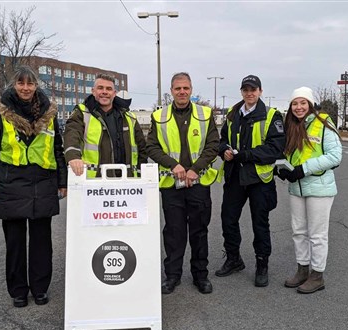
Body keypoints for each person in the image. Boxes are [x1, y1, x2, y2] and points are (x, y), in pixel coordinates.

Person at [0, 66, 67, 307]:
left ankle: (40, 289)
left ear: (36, 86)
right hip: (11, 182)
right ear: (14, 85)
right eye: (21, 83)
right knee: (15, 243)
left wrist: (62, 182)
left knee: (42, 242)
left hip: (43, 182)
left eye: (30, 84)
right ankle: (18, 291)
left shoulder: (49, 113)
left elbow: (57, 149)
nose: (25, 88)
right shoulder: (0, 112)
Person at [146, 72, 220, 295]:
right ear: (171, 91)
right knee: (174, 232)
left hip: (198, 183)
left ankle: (200, 276)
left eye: (186, 88)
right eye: (178, 88)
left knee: (199, 232)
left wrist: (194, 170)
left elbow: (213, 145)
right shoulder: (159, 116)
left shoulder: (205, 114)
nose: (182, 92)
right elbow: (152, 147)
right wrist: (173, 165)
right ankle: (172, 276)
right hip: (172, 184)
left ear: (191, 89)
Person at [217, 75, 285, 287]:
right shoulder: (232, 115)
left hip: (259, 179)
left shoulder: (272, 115)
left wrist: (245, 155)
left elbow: (275, 149)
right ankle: (234, 259)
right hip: (236, 176)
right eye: (246, 89)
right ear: (241, 92)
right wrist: (224, 151)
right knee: (228, 219)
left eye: (253, 89)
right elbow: (223, 141)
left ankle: (262, 264)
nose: (249, 93)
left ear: (260, 91)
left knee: (260, 224)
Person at [277, 87, 342, 294]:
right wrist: (284, 168)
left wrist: (302, 170)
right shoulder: (292, 126)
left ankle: (317, 275)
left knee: (317, 235)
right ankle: (302, 269)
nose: (298, 107)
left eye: (303, 103)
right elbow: (292, 155)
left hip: (319, 188)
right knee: (298, 231)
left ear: (311, 104)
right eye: (295, 103)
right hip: (297, 188)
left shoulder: (324, 124)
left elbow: (334, 156)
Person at [63, 74, 147, 178]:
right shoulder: (82, 113)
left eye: (109, 89)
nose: (104, 92)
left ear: (114, 93)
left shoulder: (129, 117)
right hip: (94, 183)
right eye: (100, 88)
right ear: (93, 91)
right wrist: (73, 157)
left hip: (127, 182)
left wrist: (141, 175)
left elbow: (142, 149)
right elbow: (72, 135)